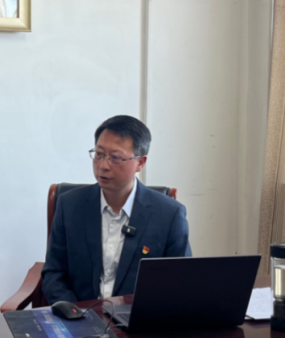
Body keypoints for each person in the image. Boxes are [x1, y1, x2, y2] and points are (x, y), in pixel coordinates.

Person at [41, 116, 190, 304]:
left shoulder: (169, 215)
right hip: (78, 316)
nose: (103, 166)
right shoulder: (69, 206)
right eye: (99, 154)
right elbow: (54, 273)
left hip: (137, 318)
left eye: (116, 158)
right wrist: (73, 311)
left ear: (140, 162)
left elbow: (179, 282)